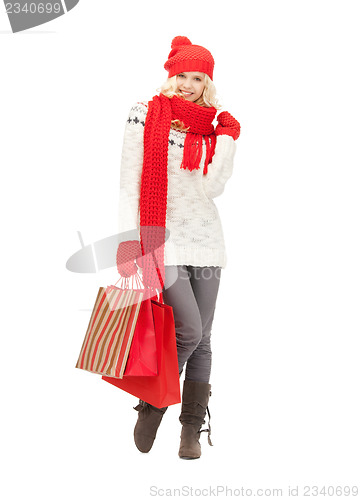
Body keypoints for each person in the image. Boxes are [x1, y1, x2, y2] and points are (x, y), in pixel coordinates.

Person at [116, 36, 241, 459]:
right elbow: (129, 181)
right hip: (160, 242)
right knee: (187, 329)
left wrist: (226, 140)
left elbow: (212, 189)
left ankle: (191, 430)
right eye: (182, 75)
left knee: (203, 337)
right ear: (171, 74)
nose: (188, 84)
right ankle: (153, 402)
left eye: (198, 77)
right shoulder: (145, 114)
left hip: (207, 241)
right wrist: (128, 240)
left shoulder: (212, 128)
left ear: (207, 82)